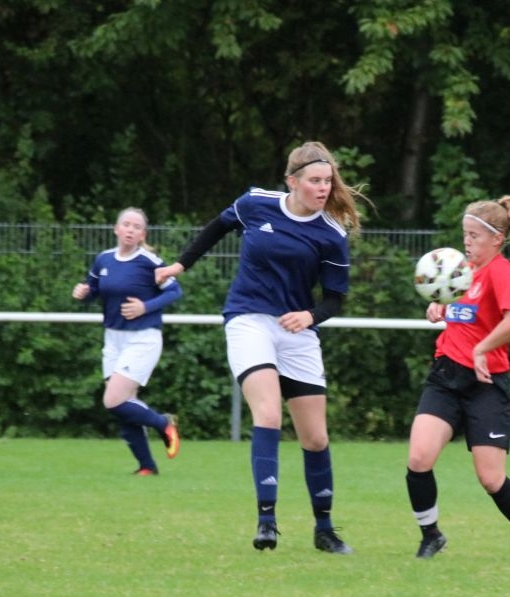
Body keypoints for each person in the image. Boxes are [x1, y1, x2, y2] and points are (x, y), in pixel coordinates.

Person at [154, 141, 368, 554]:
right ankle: (266, 521)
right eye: (315, 180)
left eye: (327, 181)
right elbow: (217, 227)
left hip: (296, 331)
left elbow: (334, 300)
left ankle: (325, 530)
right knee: (268, 414)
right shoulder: (256, 203)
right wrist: (180, 264)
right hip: (248, 319)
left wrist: (310, 316)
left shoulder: (331, 233)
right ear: (292, 181)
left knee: (316, 438)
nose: (323, 188)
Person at [405, 182, 510, 561]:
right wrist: (438, 307)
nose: (467, 242)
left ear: (497, 239)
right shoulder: (461, 272)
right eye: (465, 234)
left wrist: (482, 349)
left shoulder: (500, 272)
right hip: (446, 377)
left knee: (491, 479)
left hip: (485, 385)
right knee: (418, 460)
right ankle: (431, 535)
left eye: (474, 236)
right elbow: (458, 310)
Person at [72, 207, 183, 476]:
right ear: (116, 229)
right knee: (122, 406)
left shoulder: (149, 262)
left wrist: (145, 307)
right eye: (126, 224)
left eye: (136, 227)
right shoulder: (103, 260)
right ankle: (147, 466)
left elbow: (174, 291)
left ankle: (163, 423)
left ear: (142, 234)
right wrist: (83, 293)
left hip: (143, 338)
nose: (130, 230)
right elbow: (93, 292)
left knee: (113, 400)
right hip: (113, 339)